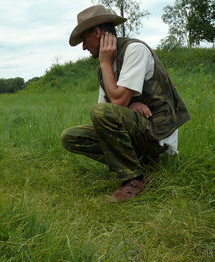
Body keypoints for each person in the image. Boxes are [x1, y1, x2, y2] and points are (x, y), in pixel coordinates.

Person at [60, 5, 190, 202]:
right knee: (70, 137)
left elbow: (113, 104)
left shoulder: (134, 50)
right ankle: (140, 163)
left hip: (157, 133)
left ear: (96, 32)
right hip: (138, 130)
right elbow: (110, 112)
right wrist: (129, 106)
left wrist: (105, 64)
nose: (84, 47)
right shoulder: (105, 68)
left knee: (101, 112)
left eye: (84, 39)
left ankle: (134, 178)